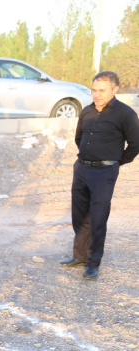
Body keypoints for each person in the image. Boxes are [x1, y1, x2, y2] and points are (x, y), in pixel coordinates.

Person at [60, 71, 139, 280]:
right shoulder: (86, 111)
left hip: (104, 172)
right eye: (94, 90)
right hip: (82, 168)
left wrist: (114, 162)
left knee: (97, 218)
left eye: (102, 90)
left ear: (115, 90)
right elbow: (79, 138)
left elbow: (135, 145)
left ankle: (93, 263)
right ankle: (80, 256)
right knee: (79, 216)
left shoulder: (126, 114)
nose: (97, 94)